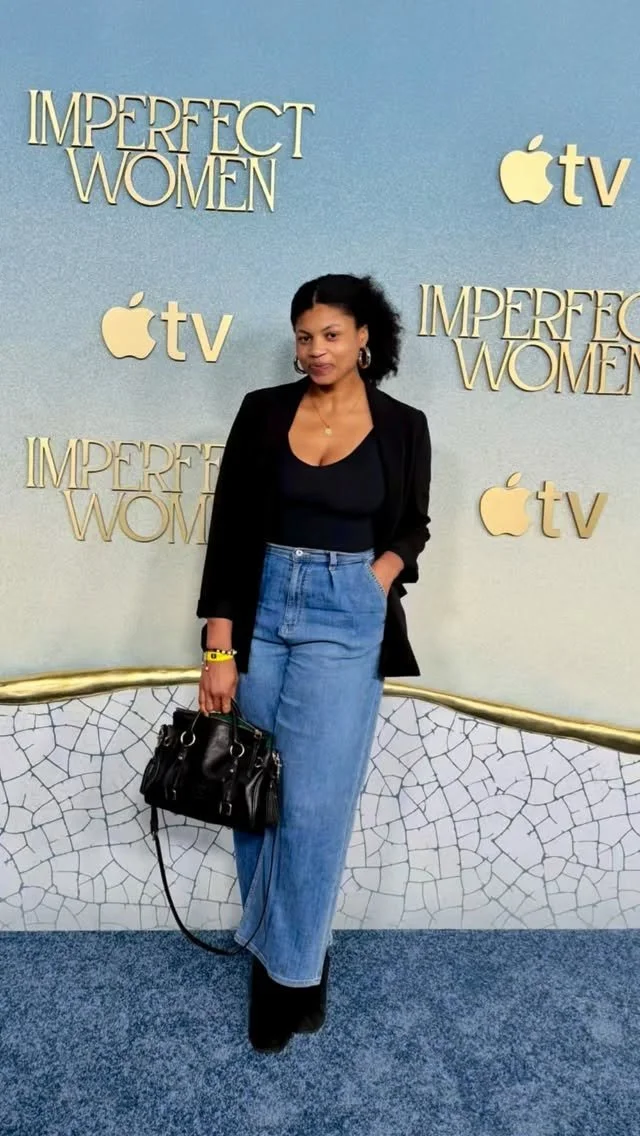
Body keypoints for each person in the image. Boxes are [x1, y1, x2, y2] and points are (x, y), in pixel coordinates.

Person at [196, 273, 432, 1053]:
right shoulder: (263, 411)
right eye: (305, 336)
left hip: (345, 614)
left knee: (315, 807)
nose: (316, 349)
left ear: (365, 337)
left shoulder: (404, 427)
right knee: (254, 794)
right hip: (262, 605)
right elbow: (230, 529)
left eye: (331, 334)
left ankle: (285, 977)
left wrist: (378, 576)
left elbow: (413, 526)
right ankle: (297, 957)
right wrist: (219, 648)